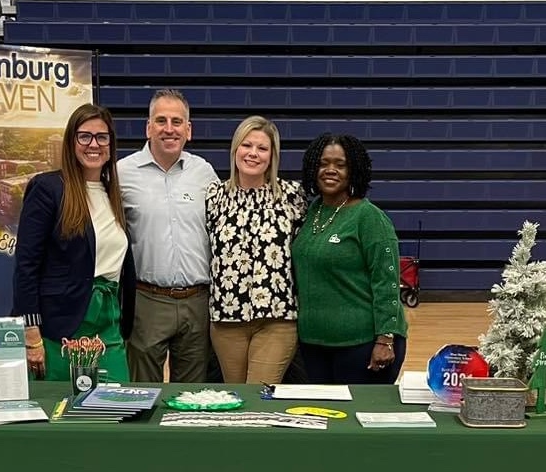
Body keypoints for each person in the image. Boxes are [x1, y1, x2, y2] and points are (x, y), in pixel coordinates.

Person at [13, 103, 137, 382]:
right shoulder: (48, 188)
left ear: (111, 144)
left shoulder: (112, 194)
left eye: (102, 137)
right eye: (85, 136)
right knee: (63, 415)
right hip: (61, 327)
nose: (94, 144)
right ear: (71, 142)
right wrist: (32, 332)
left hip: (109, 326)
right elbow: (26, 265)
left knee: (115, 406)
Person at [117, 89, 221, 383]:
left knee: (193, 397)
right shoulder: (122, 173)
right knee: (142, 392)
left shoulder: (204, 172)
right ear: (148, 127)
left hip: (197, 301)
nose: (169, 128)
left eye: (177, 121)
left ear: (188, 130)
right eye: (161, 120)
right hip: (146, 300)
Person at [291, 133, 408, 384]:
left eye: (340, 164)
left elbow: (386, 282)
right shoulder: (313, 211)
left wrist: (386, 339)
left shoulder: (369, 218)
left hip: (362, 346)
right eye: (323, 163)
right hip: (313, 345)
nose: (330, 170)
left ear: (353, 170)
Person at [205, 116, 306, 384]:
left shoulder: (292, 196)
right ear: (235, 149)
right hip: (226, 320)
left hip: (277, 319)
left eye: (262, 148)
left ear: (272, 155)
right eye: (246, 145)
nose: (253, 153)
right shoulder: (214, 197)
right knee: (236, 399)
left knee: (259, 393)